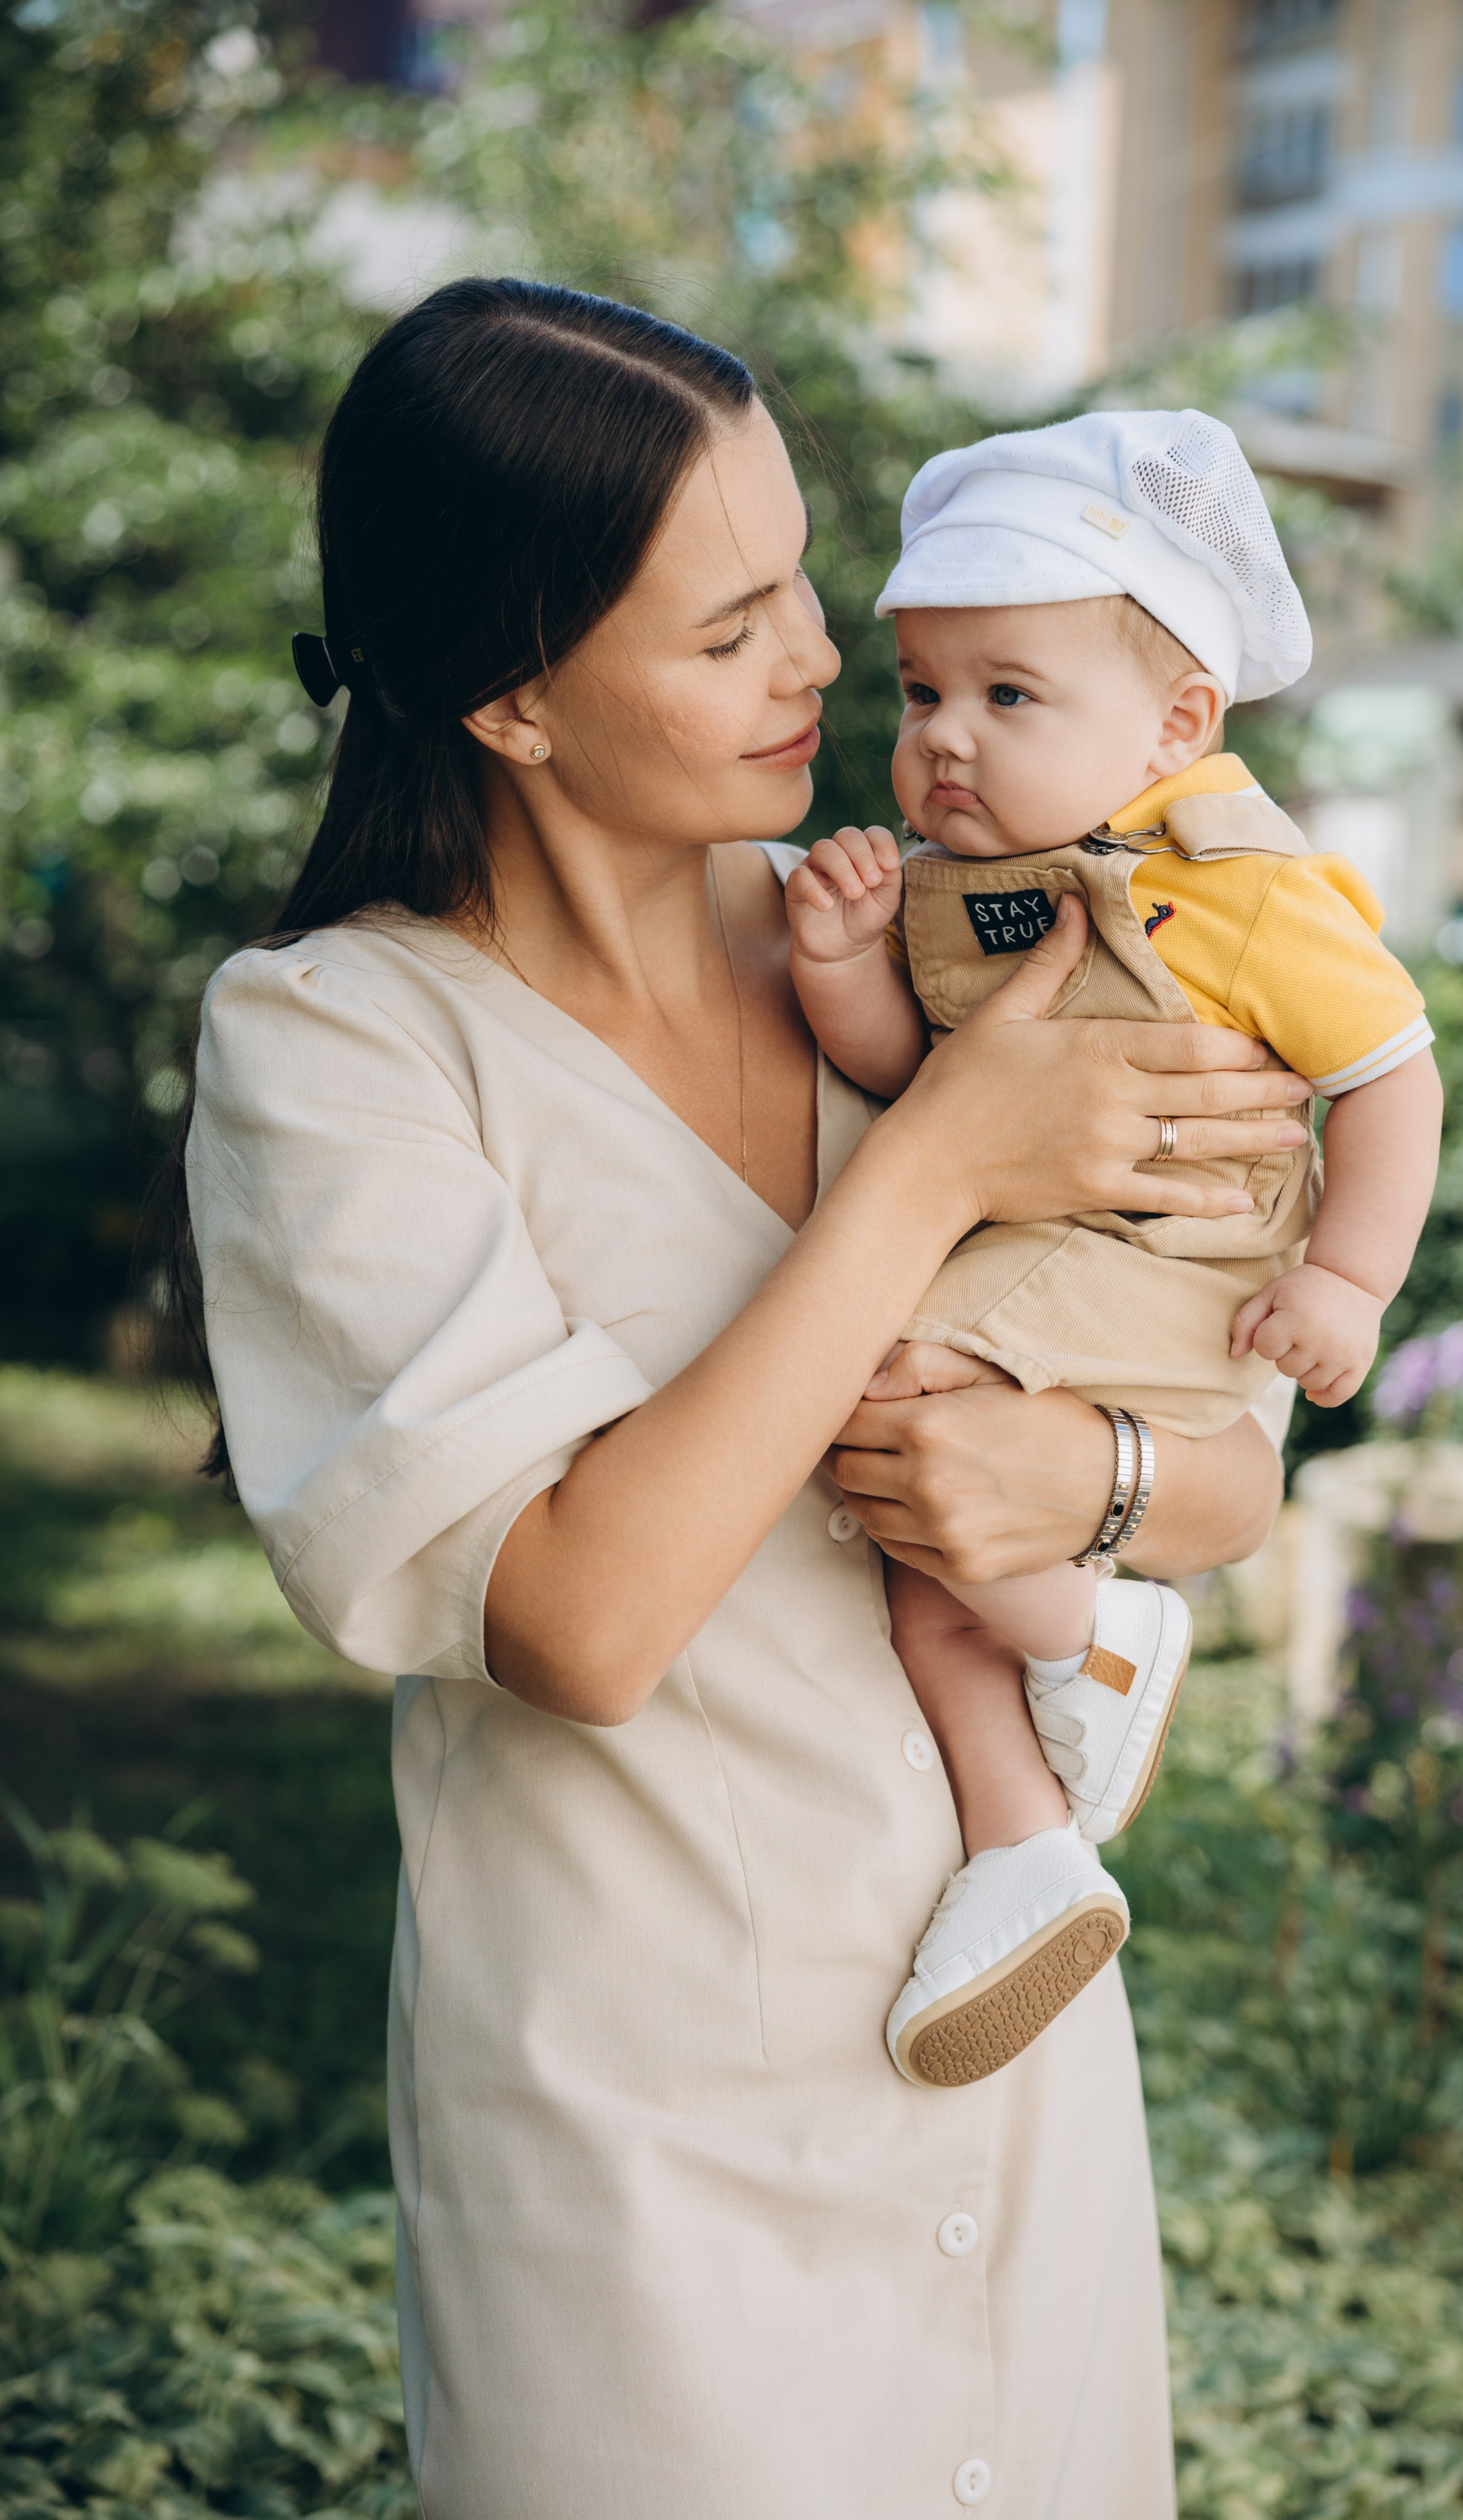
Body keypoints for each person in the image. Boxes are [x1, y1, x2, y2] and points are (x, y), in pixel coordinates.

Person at [178, 277, 1315, 2520]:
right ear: (516, 698)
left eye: (805, 571)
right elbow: (582, 1620)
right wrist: (929, 1176)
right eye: (728, 628)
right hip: (644, 2152)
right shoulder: (339, 1047)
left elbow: (1229, 1475)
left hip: (1016, 2049)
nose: (819, 656)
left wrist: (1079, 1465)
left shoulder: (919, 934)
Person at [784, 411, 1443, 2090]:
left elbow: (1387, 1074)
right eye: (923, 692)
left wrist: (1350, 1283)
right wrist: (843, 962)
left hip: (1167, 1265)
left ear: (1175, 721)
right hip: (1041, 1251)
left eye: (1008, 695)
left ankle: (1102, 1636)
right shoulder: (958, 874)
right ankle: (1023, 1855)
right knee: (923, 1558)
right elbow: (912, 1087)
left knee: (887, 1394)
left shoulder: (1237, 889)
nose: (942, 738)